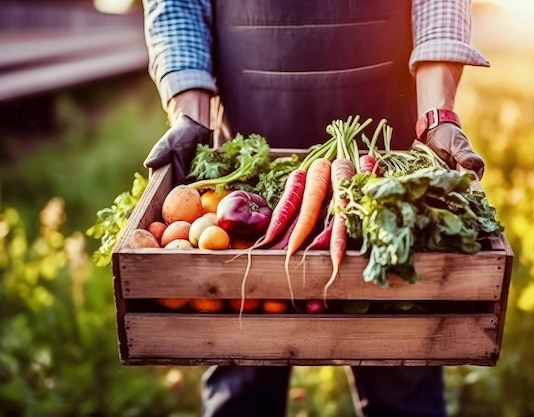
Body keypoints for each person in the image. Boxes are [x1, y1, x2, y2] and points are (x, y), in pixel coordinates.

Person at [141, 1, 488, 416]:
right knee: (241, 377)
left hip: (386, 158)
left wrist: (437, 115)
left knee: (400, 359)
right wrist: (189, 116)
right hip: (251, 151)